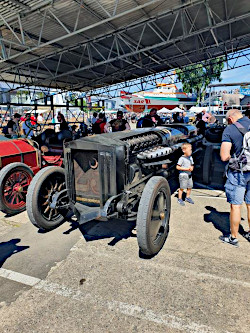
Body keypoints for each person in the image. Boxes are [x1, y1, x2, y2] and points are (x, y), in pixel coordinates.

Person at [219, 109, 250, 246]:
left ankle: (233, 237)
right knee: (249, 204)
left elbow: (224, 156)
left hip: (239, 173)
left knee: (236, 206)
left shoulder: (230, 129)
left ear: (230, 118)